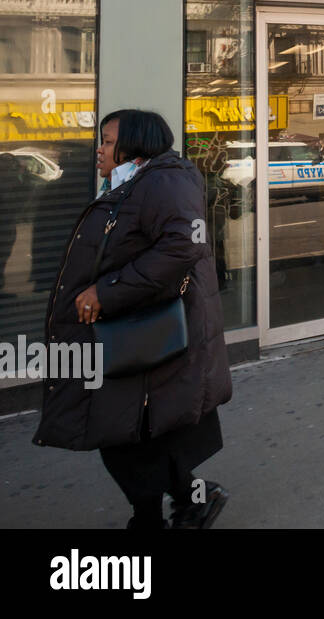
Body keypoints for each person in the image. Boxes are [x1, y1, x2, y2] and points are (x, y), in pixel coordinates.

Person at [33, 109, 233, 529]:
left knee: (124, 433)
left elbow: (181, 247)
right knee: (137, 432)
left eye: (107, 141)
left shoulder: (164, 181)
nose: (99, 150)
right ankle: (184, 503)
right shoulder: (137, 183)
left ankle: (159, 514)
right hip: (129, 332)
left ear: (135, 145)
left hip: (143, 332)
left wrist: (105, 292)